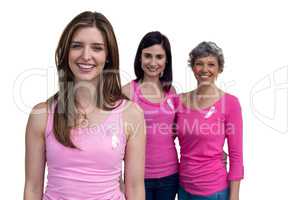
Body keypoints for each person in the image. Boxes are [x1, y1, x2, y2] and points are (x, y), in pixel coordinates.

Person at [23, 11, 146, 200]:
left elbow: (135, 188)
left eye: (96, 48)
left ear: (108, 57)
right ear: (66, 53)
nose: (85, 55)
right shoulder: (41, 115)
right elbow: (32, 187)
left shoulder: (131, 114)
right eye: (77, 46)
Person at [175, 42, 244, 200]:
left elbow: (236, 155)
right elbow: (166, 138)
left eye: (211, 64)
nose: (205, 69)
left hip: (213, 191)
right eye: (199, 64)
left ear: (219, 69)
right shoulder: (179, 101)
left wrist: (234, 197)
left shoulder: (230, 103)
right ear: (192, 68)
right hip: (183, 188)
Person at [122, 31, 178, 200]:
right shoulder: (127, 92)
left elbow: (177, 131)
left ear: (166, 60)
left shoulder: (171, 91)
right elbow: (115, 140)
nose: (153, 62)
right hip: (138, 178)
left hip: (170, 175)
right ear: (140, 57)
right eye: (148, 56)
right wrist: (118, 179)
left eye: (159, 57)